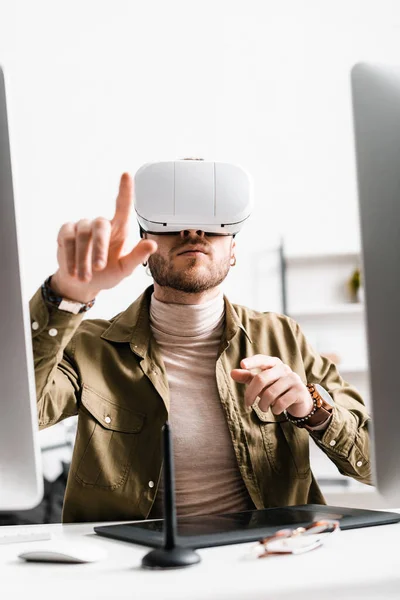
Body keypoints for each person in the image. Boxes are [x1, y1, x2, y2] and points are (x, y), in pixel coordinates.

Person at [30, 173, 371, 523]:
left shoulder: (284, 338)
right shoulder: (91, 347)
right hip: (134, 566)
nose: (193, 232)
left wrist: (312, 407)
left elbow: (374, 462)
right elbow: (22, 413)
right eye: (171, 220)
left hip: (265, 556)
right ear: (144, 246)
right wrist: (67, 296)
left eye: (212, 222)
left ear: (233, 249)